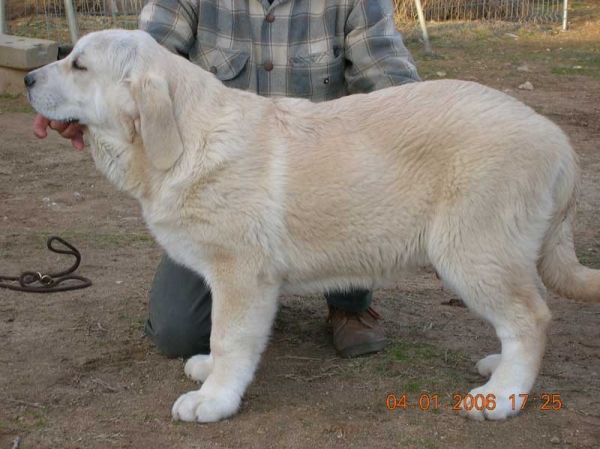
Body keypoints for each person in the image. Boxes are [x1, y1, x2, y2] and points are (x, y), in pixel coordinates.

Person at [33, 0, 420, 360]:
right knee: (178, 333)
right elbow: (142, 55)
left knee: (355, 193)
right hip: (215, 188)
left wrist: (425, 161)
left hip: (324, 182)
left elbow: (389, 77)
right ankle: (248, 294)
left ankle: (348, 304)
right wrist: (71, 100)